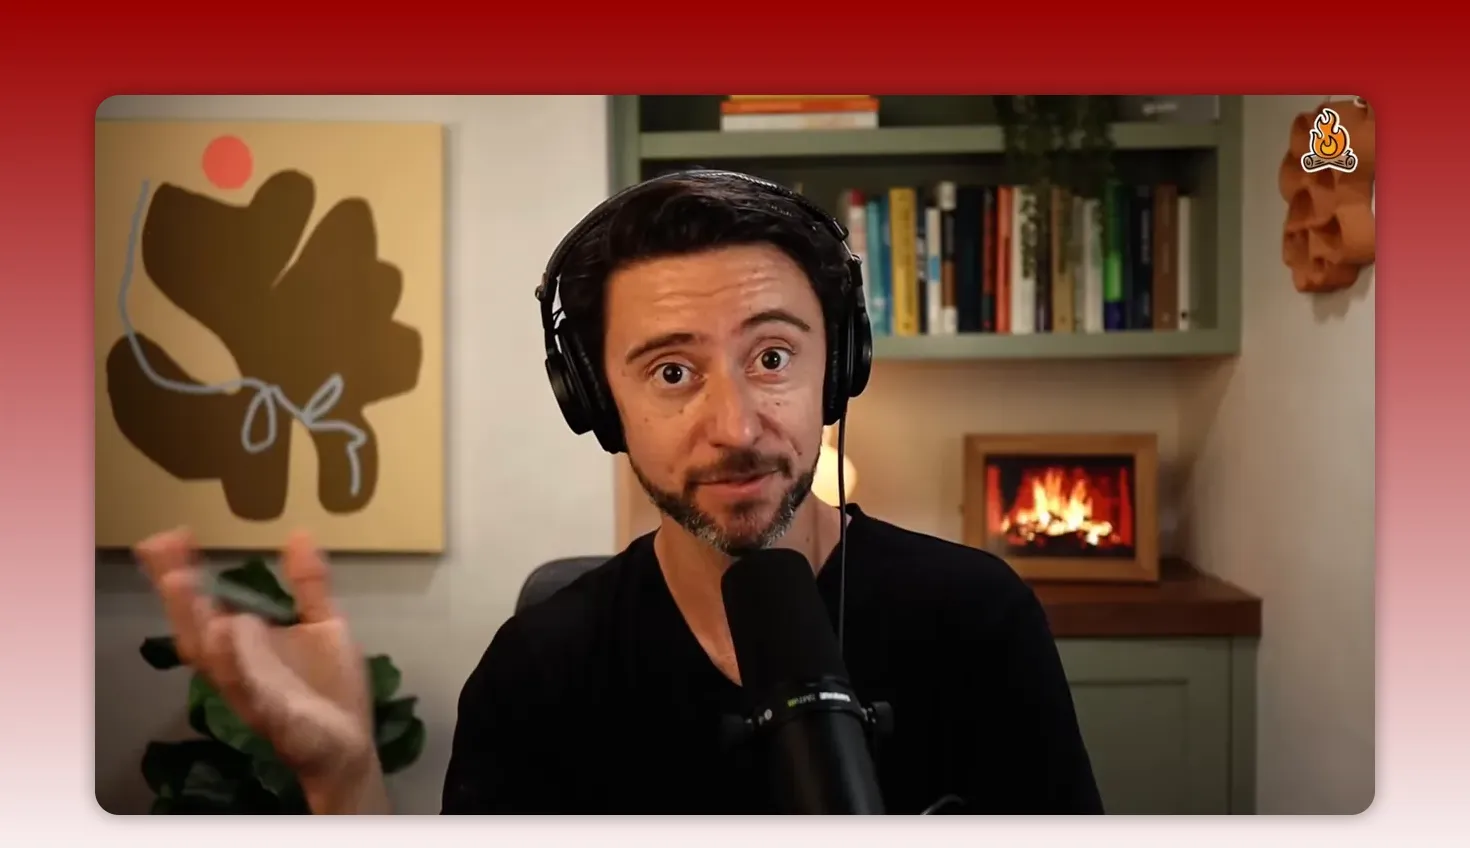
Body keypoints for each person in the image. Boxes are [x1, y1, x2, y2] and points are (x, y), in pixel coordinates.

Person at [134, 170, 1104, 815]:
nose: (735, 424)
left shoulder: (978, 618)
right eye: (672, 372)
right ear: (597, 401)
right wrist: (341, 777)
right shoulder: (539, 669)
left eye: (772, 356)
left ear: (838, 367)